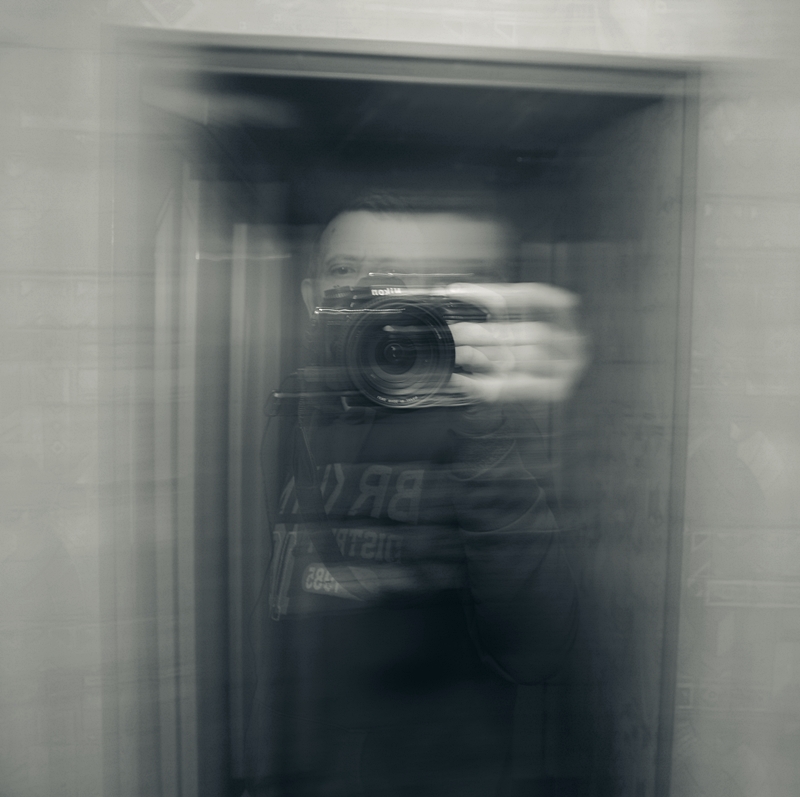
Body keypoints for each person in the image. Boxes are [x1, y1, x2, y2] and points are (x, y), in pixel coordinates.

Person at [245, 193, 587, 797]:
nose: (365, 290)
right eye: (345, 269)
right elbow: (284, 608)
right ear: (310, 295)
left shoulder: (477, 417)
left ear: (421, 298)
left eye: (391, 276)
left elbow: (540, 649)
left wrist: (485, 439)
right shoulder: (295, 409)